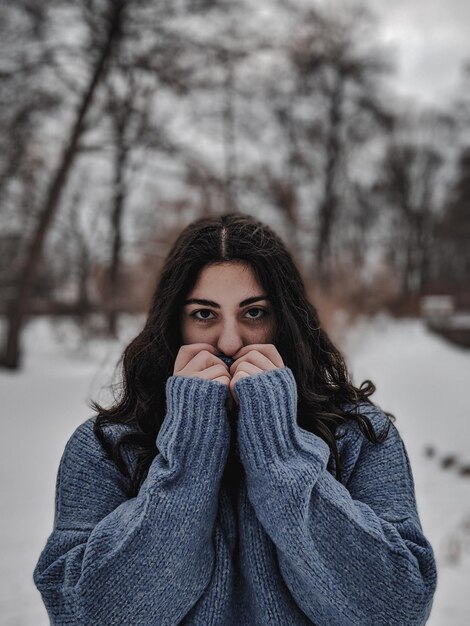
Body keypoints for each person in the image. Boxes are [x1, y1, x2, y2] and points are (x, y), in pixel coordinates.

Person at [33, 213, 438, 625]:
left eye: (254, 313)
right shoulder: (105, 447)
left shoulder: (359, 436)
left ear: (285, 321)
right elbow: (82, 615)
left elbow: (398, 610)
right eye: (204, 315)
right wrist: (188, 453)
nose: (230, 342)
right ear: (173, 323)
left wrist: (280, 453)